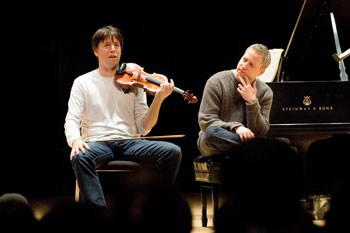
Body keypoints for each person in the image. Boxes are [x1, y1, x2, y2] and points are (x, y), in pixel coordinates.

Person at [64, 25, 182, 207]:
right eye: (107, 45)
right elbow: (72, 119)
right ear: (96, 51)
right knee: (80, 156)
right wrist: (76, 140)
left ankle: (152, 206)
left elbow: (143, 128)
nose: (113, 49)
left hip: (131, 142)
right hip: (97, 142)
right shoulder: (83, 82)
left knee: (172, 152)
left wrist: (158, 100)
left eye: (117, 45)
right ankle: (98, 214)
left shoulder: (135, 81)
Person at [197, 43, 273, 157]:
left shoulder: (266, 92)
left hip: (245, 143)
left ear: (261, 72)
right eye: (244, 59)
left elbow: (260, 132)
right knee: (210, 134)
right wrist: (237, 127)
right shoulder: (217, 81)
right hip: (217, 142)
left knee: (273, 141)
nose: (244, 65)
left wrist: (252, 102)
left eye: (251, 64)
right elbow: (205, 121)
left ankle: (255, 149)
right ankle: (262, 149)